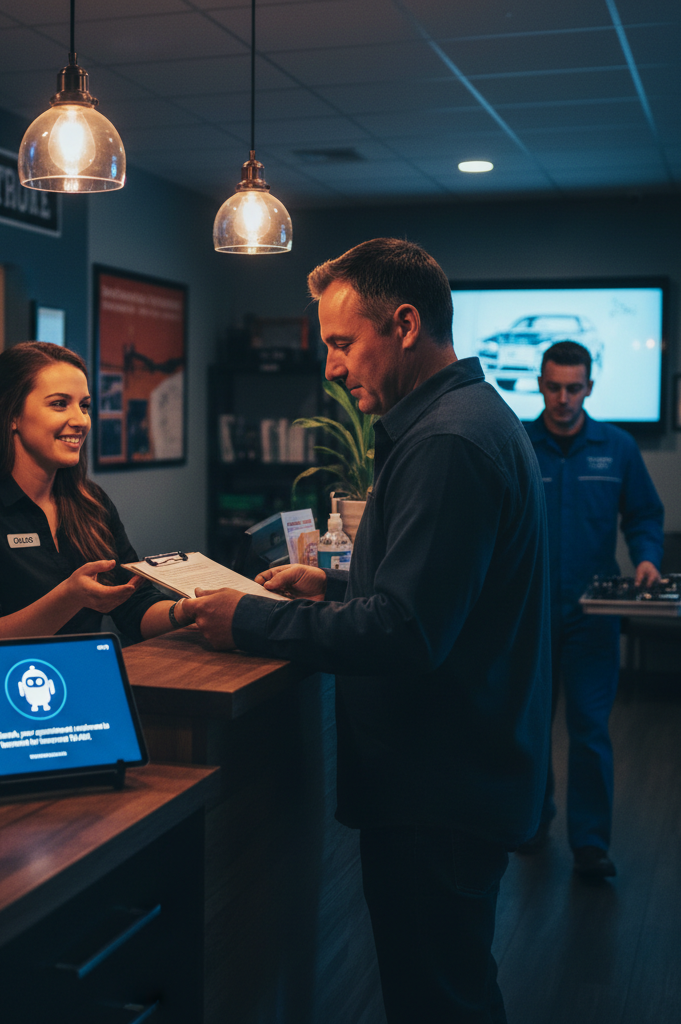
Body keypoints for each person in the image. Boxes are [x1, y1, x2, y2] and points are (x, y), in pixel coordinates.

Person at [182, 239, 551, 1024]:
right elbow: (452, 586)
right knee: (455, 986)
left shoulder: (447, 441)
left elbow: (406, 633)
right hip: (462, 778)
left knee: (438, 1002)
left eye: (343, 343)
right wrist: (336, 580)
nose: (331, 367)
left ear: (406, 324)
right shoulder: (472, 417)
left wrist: (246, 617)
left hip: (440, 791)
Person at [0, 342, 190, 643]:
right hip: (8, 684)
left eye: (85, 405)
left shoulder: (92, 503)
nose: (80, 420)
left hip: (84, 677)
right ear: (12, 414)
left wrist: (188, 610)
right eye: (59, 404)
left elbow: (134, 605)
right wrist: (68, 597)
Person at [519, 341, 664, 878]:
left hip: (593, 614)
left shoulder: (618, 447)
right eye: (553, 387)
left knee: (590, 731)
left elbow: (645, 515)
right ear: (539, 384)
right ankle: (532, 823)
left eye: (573, 388)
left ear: (590, 387)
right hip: (529, 615)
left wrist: (647, 558)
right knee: (530, 725)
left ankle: (590, 844)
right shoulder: (518, 443)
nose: (562, 398)